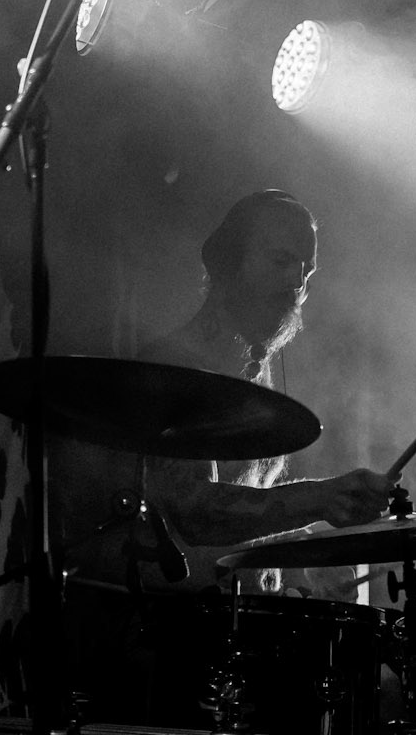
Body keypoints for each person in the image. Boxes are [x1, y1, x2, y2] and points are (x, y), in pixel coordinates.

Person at [137, 189, 392, 589]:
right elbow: (195, 514)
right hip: (178, 619)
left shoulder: (257, 365)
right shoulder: (176, 367)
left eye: (307, 270)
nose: (297, 283)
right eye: (281, 261)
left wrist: (307, 558)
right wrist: (320, 498)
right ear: (227, 264)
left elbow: (253, 504)